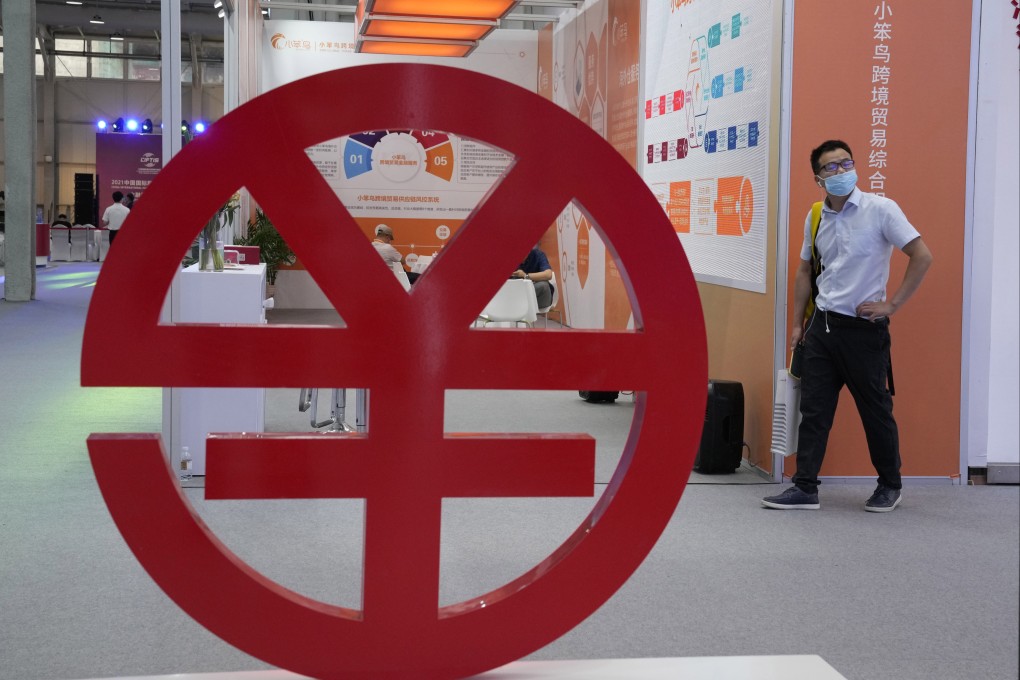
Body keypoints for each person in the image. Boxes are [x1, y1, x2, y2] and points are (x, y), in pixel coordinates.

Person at [762, 139, 932, 513]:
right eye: (831, 167)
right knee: (814, 411)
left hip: (863, 332)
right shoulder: (816, 216)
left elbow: (921, 255)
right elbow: (804, 270)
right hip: (821, 329)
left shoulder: (881, 209)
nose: (841, 171)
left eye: (846, 163)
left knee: (875, 411)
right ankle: (805, 487)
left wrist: (892, 305)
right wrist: (797, 325)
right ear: (818, 178)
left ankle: (890, 485)